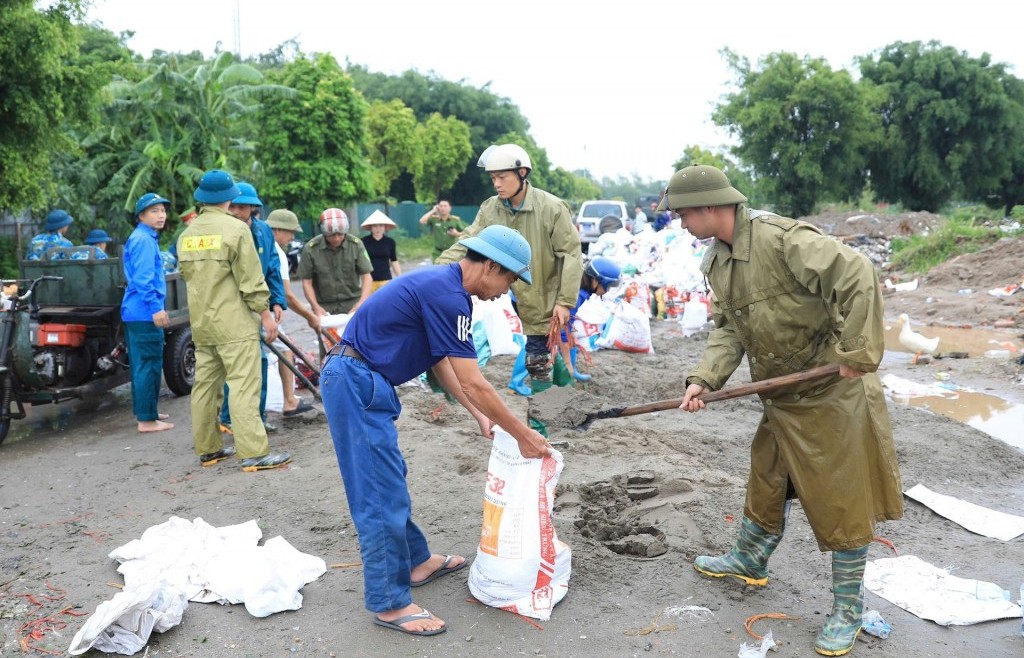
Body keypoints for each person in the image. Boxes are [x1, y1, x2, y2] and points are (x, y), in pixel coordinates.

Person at [667, 164, 903, 656]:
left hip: (830, 391)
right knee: (767, 476)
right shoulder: (716, 262)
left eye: (685, 214)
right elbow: (729, 329)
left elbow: (857, 273)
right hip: (780, 396)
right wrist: (702, 379)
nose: (682, 223)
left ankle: (847, 610)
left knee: (841, 500)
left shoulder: (783, 240)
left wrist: (857, 353)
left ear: (712, 206)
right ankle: (750, 560)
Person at [321, 225, 551, 637]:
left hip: (362, 379)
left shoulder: (444, 287)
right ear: (490, 267)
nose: (507, 290)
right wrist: (522, 433)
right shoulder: (450, 297)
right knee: (377, 492)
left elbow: (441, 361)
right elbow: (475, 380)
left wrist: (479, 415)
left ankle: (415, 562)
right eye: (509, 279)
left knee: (389, 479)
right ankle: (390, 604)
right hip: (356, 380)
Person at [436, 144, 583, 431]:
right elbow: (469, 242)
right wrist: (438, 272)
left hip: (547, 297)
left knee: (537, 361)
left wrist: (565, 301)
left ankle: (543, 427)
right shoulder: (491, 208)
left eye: (502, 177)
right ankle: (567, 395)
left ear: (522, 173)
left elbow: (571, 255)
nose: (497, 184)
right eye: (493, 178)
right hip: (516, 294)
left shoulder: (551, 208)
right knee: (542, 356)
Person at [177, 169, 290, 471]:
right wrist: (266, 315)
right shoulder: (237, 230)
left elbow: (189, 277)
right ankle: (253, 452)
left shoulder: (187, 235)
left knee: (204, 387)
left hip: (201, 324)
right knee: (243, 385)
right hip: (234, 324)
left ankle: (209, 449)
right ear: (230, 198)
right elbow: (251, 282)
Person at [218, 182, 286, 435]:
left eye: (242, 207)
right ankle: (231, 418)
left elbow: (272, 268)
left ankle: (256, 415)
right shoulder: (224, 232)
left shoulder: (264, 232)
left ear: (253, 209)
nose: (236, 211)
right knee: (240, 364)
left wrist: (277, 301)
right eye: (232, 206)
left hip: (260, 306)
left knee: (259, 361)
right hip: (233, 308)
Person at [121, 193, 174, 433]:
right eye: (154, 211)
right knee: (147, 365)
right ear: (141, 216)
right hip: (144, 311)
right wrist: (156, 309)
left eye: (162, 210)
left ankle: (148, 411)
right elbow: (143, 281)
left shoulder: (145, 237)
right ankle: (147, 420)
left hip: (137, 311)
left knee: (144, 364)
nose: (161, 215)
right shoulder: (143, 240)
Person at [265, 208, 319, 416]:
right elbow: (288, 295)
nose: (293, 237)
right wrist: (310, 316)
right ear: (278, 230)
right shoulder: (275, 251)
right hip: (264, 310)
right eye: (290, 232)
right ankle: (289, 400)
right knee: (284, 349)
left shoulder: (256, 241)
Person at [297, 208, 373, 317]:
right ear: (323, 232)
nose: (336, 238)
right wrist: (316, 307)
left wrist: (361, 303)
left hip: (353, 304)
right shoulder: (311, 249)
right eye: (332, 235)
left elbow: (367, 277)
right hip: (325, 308)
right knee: (328, 335)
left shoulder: (356, 245)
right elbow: (307, 283)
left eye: (340, 234)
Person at [557, 257, 621, 382]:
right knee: (539, 342)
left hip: (551, 310)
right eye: (607, 286)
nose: (607, 291)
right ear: (595, 281)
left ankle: (570, 374)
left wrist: (572, 331)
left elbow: (567, 320)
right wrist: (567, 363)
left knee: (572, 338)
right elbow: (562, 328)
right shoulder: (576, 294)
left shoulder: (581, 288)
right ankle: (517, 382)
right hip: (530, 304)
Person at [360, 210, 401, 292]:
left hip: (385, 280)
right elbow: (360, 262)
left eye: (381, 226)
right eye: (375, 226)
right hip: (369, 280)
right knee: (368, 304)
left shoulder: (390, 242)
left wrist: (400, 278)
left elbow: (394, 261)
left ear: (385, 227)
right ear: (371, 227)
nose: (378, 229)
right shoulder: (363, 242)